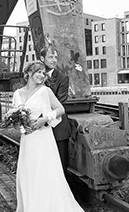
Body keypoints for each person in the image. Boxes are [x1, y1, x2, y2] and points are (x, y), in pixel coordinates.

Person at [13, 61, 84, 212]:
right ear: (28, 74)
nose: (41, 75)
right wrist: (20, 125)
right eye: (38, 72)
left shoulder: (45, 91)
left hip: (43, 137)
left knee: (45, 172)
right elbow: (15, 116)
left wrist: (45, 119)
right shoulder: (17, 94)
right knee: (28, 173)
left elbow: (60, 109)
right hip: (27, 138)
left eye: (43, 73)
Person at [40, 45, 71, 173]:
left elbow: (60, 102)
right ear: (42, 58)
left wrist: (42, 117)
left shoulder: (63, 78)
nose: (54, 60)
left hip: (58, 129)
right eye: (50, 57)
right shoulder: (36, 76)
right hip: (40, 129)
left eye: (56, 57)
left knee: (60, 167)